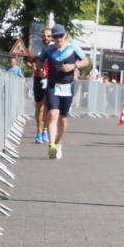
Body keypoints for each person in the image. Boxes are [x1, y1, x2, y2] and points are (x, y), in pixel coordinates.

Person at [40, 24, 89, 160]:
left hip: (67, 86)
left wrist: (73, 66)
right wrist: (42, 69)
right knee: (52, 114)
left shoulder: (73, 48)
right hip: (52, 86)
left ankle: (58, 142)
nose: (58, 39)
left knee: (63, 118)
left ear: (65, 35)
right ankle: (51, 146)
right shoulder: (48, 50)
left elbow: (86, 61)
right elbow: (39, 61)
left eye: (60, 36)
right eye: (55, 37)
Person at [32, 27, 53, 143]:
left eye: (49, 36)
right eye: (44, 36)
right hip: (38, 79)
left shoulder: (54, 48)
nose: (46, 38)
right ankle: (38, 132)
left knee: (47, 108)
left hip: (50, 79)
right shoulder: (36, 47)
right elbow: (32, 60)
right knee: (39, 107)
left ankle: (45, 130)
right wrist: (36, 67)